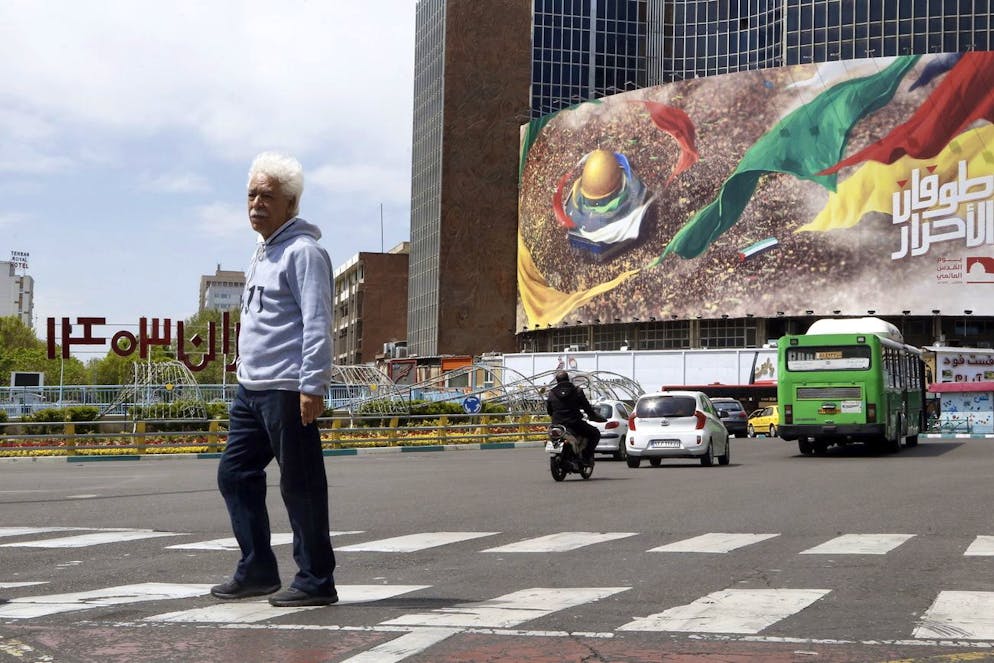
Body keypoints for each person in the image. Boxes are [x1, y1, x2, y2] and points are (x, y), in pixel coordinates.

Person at [211, 152, 338, 608]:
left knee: (300, 484)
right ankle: (258, 569)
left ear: (291, 203)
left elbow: (318, 321)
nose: (257, 203)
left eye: (268, 196)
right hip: (252, 390)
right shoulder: (262, 253)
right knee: (235, 474)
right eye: (251, 194)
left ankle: (316, 579)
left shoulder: (303, 252)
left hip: (287, 388)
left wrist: (313, 384)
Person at [546, 370, 607, 468]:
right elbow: (587, 408)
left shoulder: (551, 393)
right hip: (575, 424)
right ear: (568, 379)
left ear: (557, 381)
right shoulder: (577, 391)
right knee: (595, 433)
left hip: (557, 425)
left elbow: (549, 411)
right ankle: (586, 457)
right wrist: (594, 417)